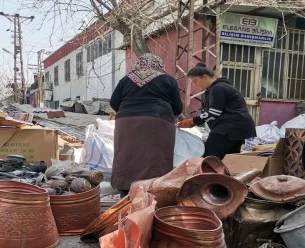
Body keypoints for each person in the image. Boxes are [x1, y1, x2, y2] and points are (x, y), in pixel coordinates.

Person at [109, 54, 183, 196]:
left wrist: (127, 112)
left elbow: (114, 102)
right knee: (156, 156)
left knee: (126, 154)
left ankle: (125, 188)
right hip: (158, 121)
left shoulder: (125, 80)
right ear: (159, 65)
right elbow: (178, 108)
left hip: (126, 122)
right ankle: (154, 189)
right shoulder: (168, 80)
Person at [178, 63, 256, 159]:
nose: (195, 85)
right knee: (229, 159)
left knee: (210, 156)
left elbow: (214, 112)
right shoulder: (216, 88)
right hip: (239, 126)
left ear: (205, 77)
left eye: (195, 81)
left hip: (230, 126)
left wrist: (193, 121)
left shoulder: (218, 88)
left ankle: (209, 174)